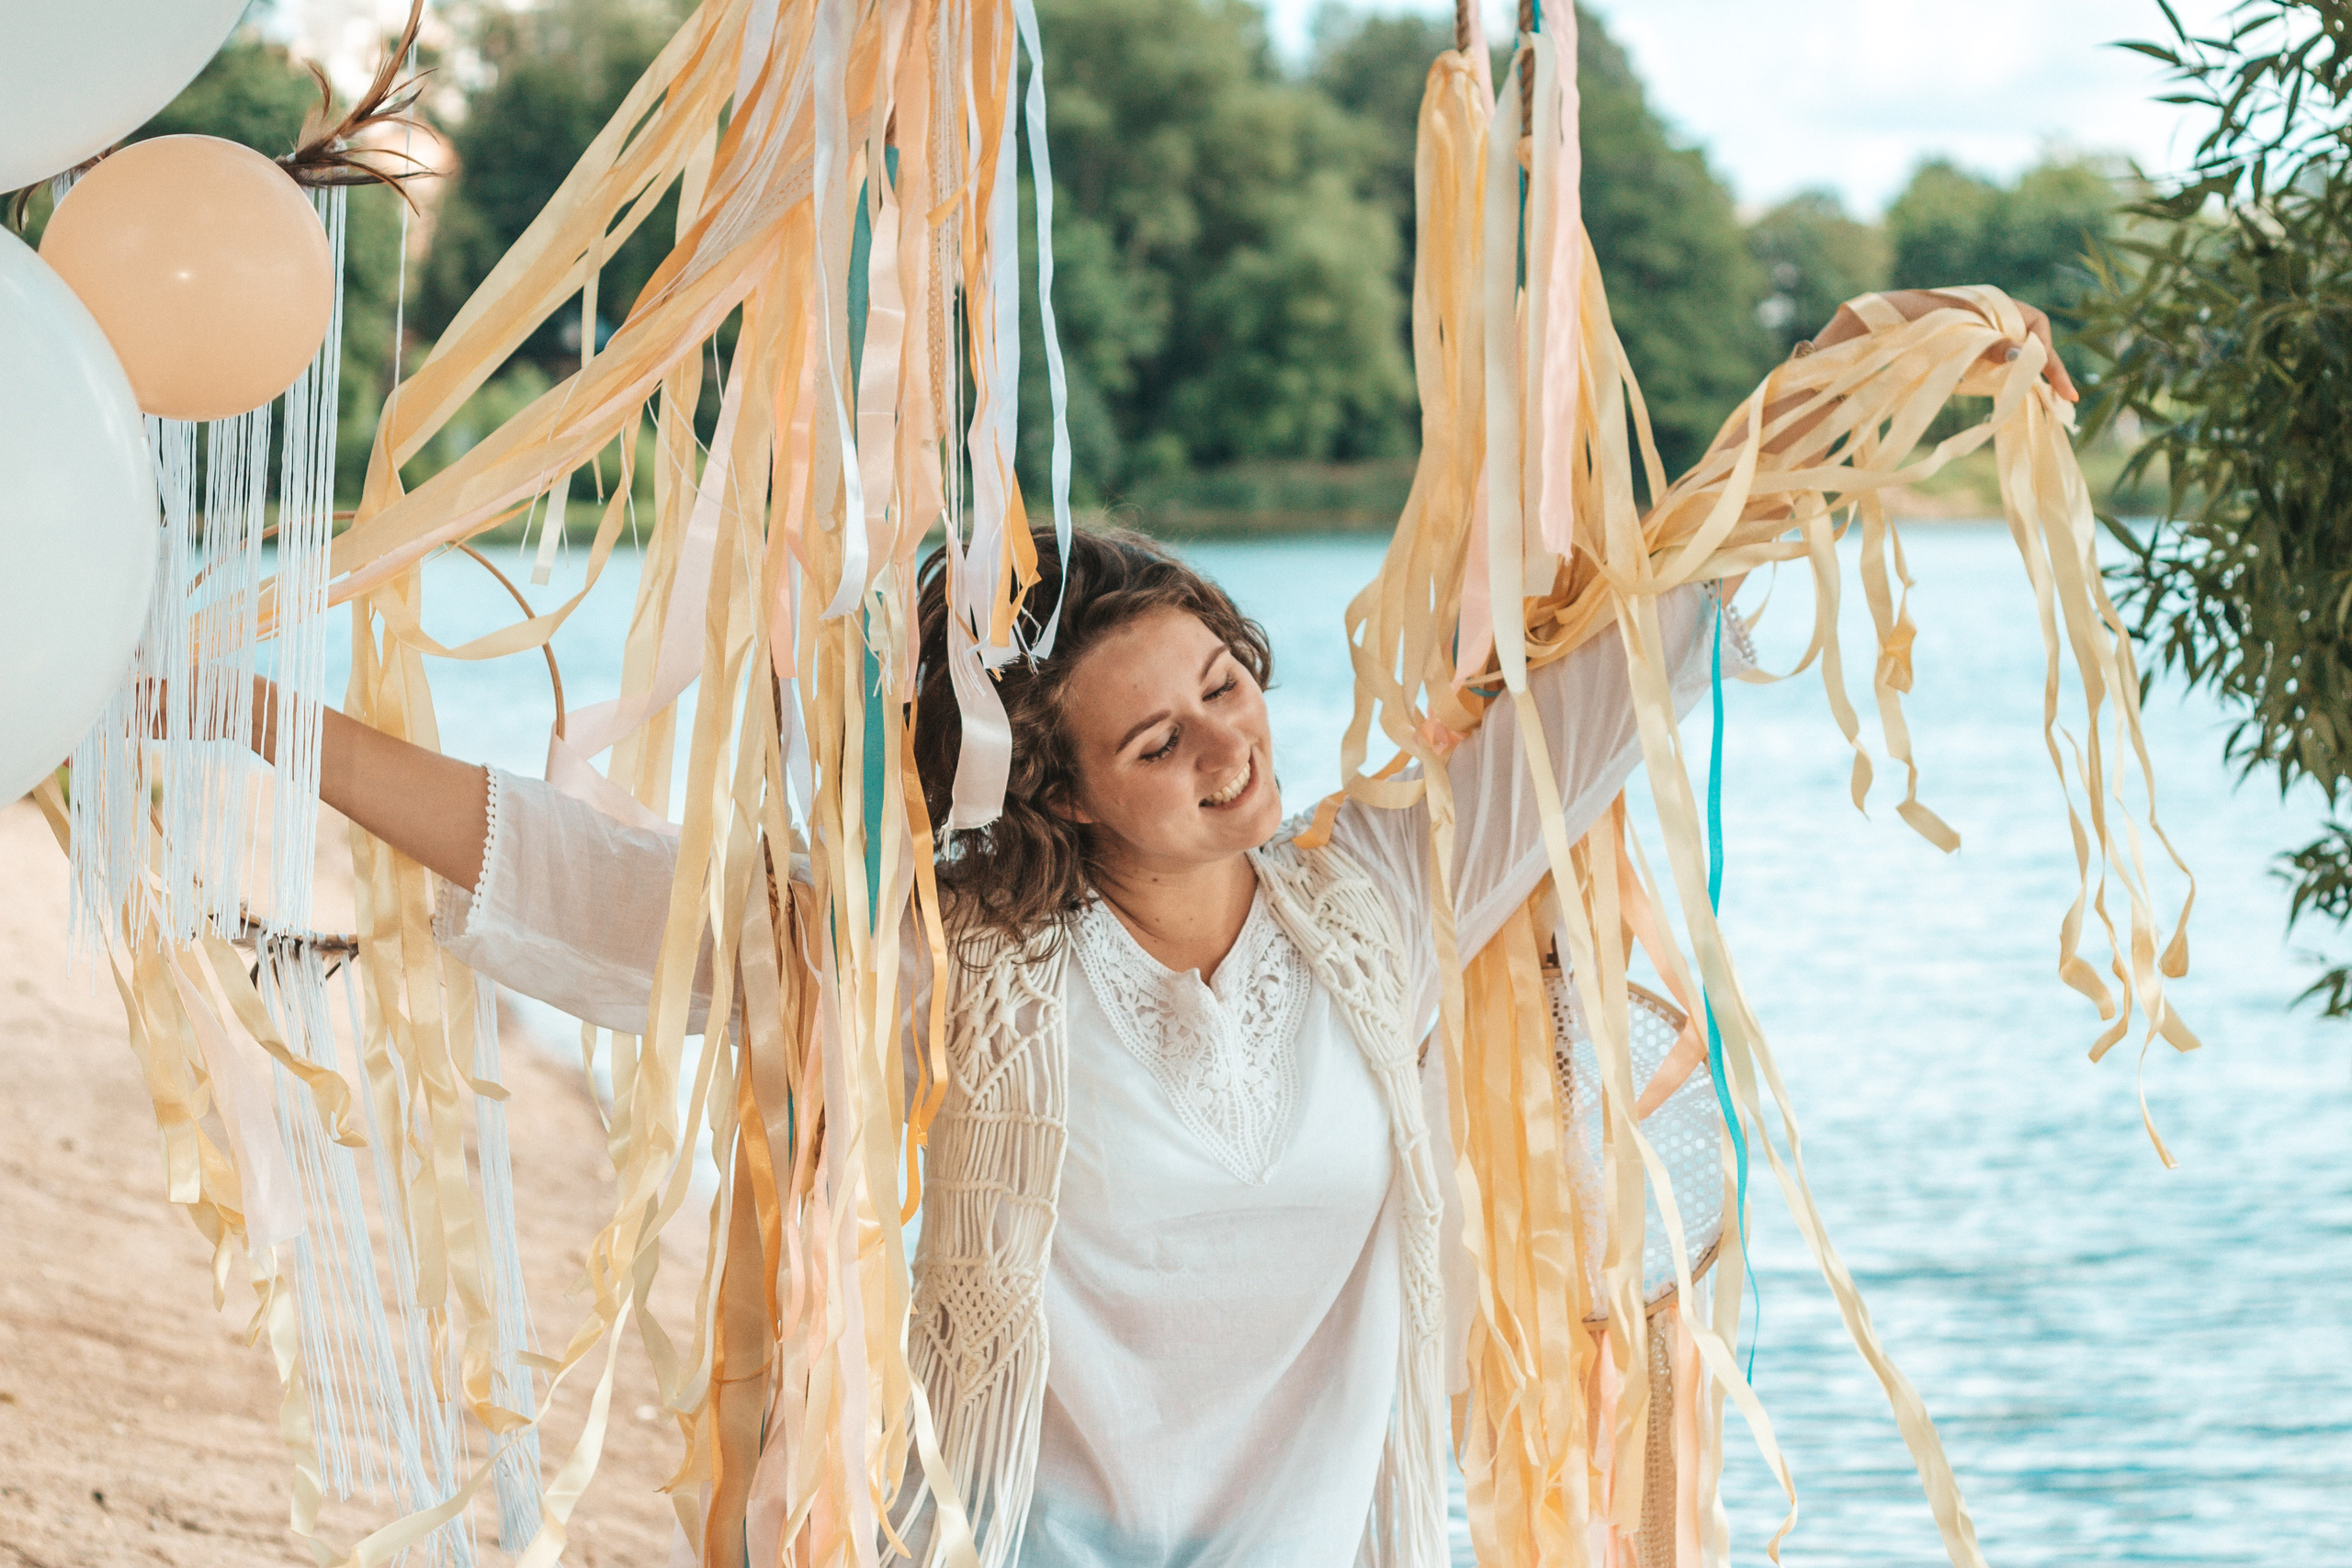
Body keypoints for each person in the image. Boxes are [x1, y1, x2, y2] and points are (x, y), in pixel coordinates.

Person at [254, 290, 2071, 1566]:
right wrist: (262, 718)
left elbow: (1633, 650)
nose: (1224, 747)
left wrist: (1856, 367)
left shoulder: (1378, 897)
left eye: (1223, 682)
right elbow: (587, 880)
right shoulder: (956, 965)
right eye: (1154, 741)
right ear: (1053, 795)